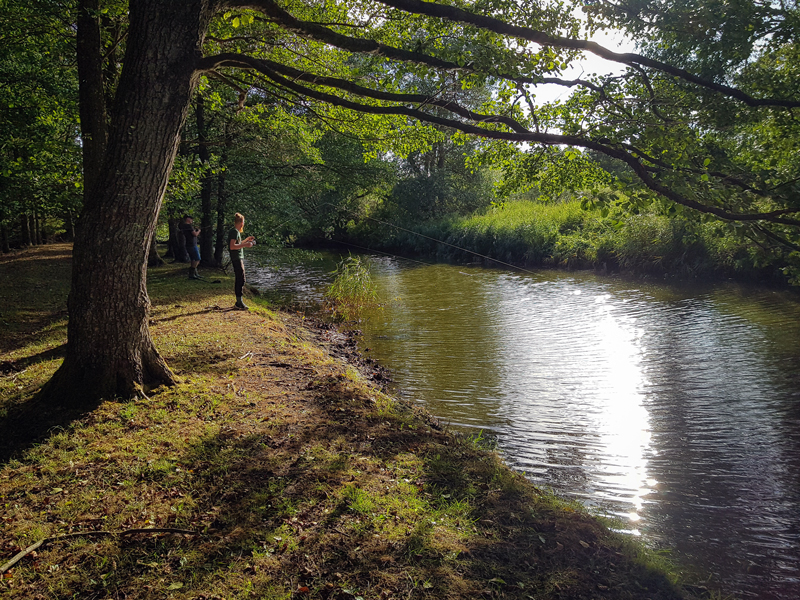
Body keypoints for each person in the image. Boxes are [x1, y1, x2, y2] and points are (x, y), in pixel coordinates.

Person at [227, 212, 255, 310]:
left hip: (238, 258)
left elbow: (237, 244)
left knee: (241, 278)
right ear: (242, 222)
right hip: (236, 258)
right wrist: (246, 245)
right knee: (241, 279)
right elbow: (232, 246)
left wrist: (246, 240)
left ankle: (239, 301)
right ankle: (239, 302)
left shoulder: (235, 232)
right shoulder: (234, 231)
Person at [179, 215, 202, 279]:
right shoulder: (189, 226)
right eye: (191, 219)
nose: (192, 220)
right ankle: (192, 273)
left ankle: (195, 273)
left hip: (188, 245)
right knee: (198, 259)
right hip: (192, 245)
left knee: (193, 259)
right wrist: (199, 231)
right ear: (188, 219)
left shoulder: (184, 226)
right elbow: (195, 234)